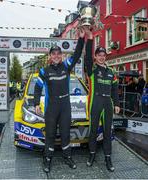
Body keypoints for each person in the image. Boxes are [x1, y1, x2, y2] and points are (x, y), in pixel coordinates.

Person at [34, 28, 85, 173]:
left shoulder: (66, 66)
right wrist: (36, 103)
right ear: (50, 56)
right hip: (52, 107)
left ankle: (67, 156)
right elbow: (37, 88)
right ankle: (47, 158)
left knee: (65, 133)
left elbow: (76, 55)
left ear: (61, 55)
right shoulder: (44, 71)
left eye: (58, 54)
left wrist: (81, 39)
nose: (56, 56)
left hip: (65, 106)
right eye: (53, 54)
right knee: (50, 134)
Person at [84, 29, 120, 172]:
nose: (101, 57)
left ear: (106, 56)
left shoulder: (112, 72)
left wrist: (117, 104)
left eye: (103, 55)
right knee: (93, 131)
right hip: (95, 103)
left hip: (108, 105)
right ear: (95, 56)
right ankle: (92, 155)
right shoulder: (92, 69)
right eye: (99, 55)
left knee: (107, 132)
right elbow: (87, 58)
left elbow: (114, 91)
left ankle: (107, 157)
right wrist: (91, 38)